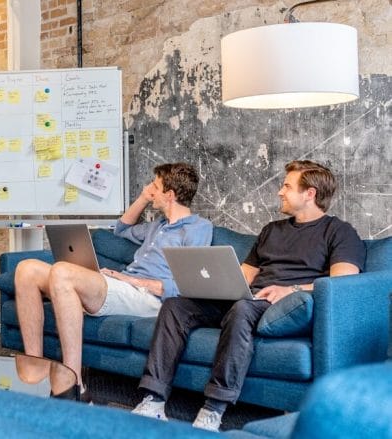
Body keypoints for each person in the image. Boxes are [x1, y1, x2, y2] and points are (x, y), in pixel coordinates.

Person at [132, 160, 366, 431]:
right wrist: (213, 286)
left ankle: (213, 408)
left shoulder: (339, 232)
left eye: (287, 186)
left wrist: (291, 290)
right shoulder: (272, 230)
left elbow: (342, 282)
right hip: (250, 299)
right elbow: (244, 276)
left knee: (242, 308)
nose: (279, 191)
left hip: (286, 304)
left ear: (309, 193)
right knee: (176, 306)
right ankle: (154, 400)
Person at [15, 163, 213, 401]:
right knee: (27, 269)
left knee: (62, 272)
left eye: (155, 186)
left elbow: (186, 285)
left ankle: (75, 384)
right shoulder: (157, 226)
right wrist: (143, 198)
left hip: (149, 298)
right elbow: (121, 228)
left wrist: (132, 279)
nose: (149, 189)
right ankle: (35, 363)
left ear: (169, 195)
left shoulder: (198, 229)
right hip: (124, 287)